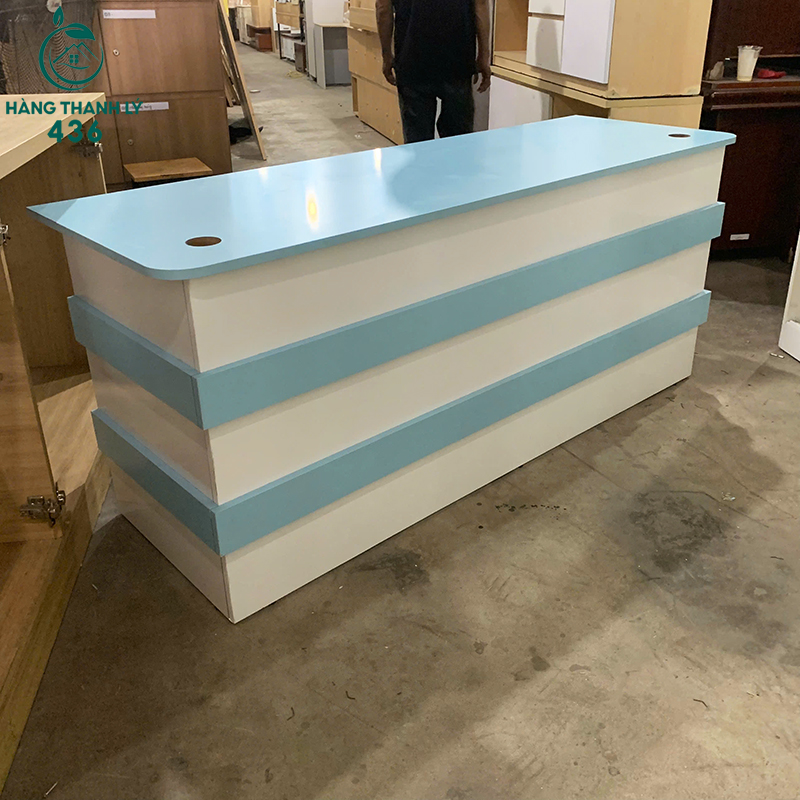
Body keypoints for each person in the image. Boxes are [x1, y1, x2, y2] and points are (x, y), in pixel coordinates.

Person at [375, 0, 491, 144]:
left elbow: (383, 8)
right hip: (457, 61)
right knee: (458, 143)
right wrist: (484, 55)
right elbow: (480, 4)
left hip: (412, 60)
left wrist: (386, 55)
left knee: (418, 143)